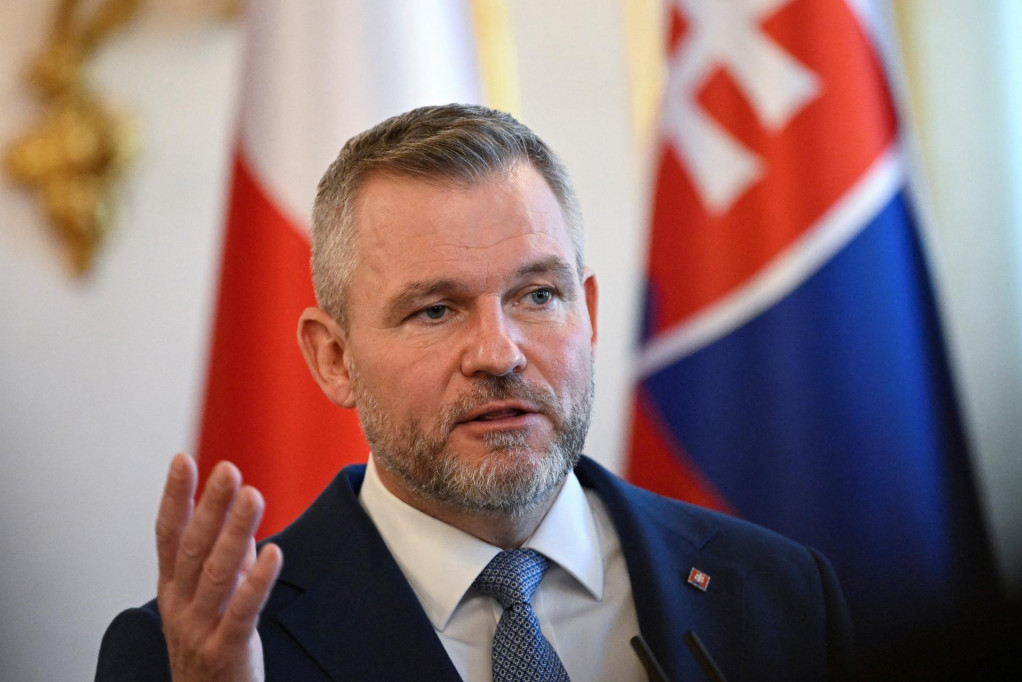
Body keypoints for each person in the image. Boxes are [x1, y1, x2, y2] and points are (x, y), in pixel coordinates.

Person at [96, 104, 852, 681]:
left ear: (587, 315)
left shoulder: (780, 594)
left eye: (538, 296)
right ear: (334, 359)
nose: (499, 354)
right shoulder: (191, 652)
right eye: (435, 310)